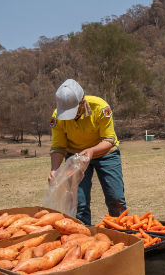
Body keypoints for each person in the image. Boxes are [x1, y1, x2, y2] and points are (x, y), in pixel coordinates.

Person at [48, 78, 127, 224]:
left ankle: (122, 231)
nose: (71, 117)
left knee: (116, 199)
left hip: (105, 154)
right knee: (79, 204)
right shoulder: (57, 117)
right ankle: (83, 236)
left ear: (82, 101)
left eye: (74, 111)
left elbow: (109, 140)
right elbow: (58, 147)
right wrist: (55, 169)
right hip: (76, 157)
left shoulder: (101, 108)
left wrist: (91, 151)